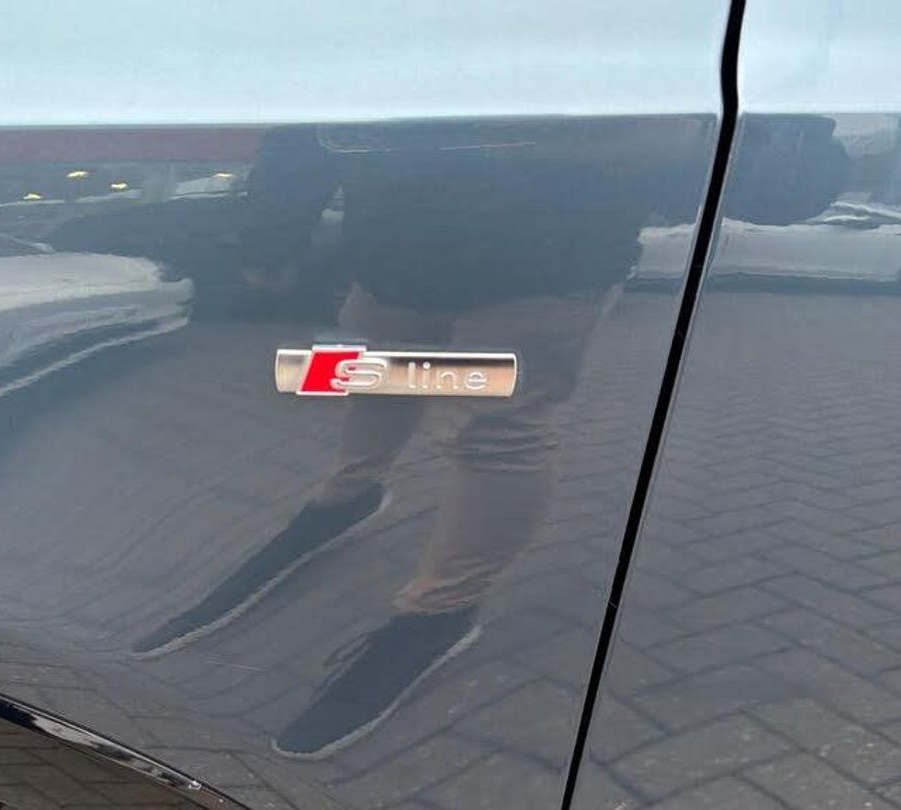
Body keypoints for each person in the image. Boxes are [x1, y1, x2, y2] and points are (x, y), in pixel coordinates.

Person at [133, 116, 846, 758]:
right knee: (376, 376)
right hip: (392, 252)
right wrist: (276, 228)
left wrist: (723, 141)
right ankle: (350, 495)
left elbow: (769, 166)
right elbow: (316, 114)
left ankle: (440, 612)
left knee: (492, 432)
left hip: (538, 267)